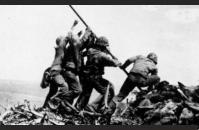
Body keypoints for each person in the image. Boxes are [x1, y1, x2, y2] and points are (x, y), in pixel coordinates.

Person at [75, 36, 122, 113]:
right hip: (95, 78)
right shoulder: (103, 56)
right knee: (109, 90)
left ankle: (77, 109)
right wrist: (112, 56)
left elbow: (82, 54)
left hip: (86, 76)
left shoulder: (90, 50)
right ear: (103, 46)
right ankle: (93, 107)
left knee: (86, 94)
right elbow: (116, 63)